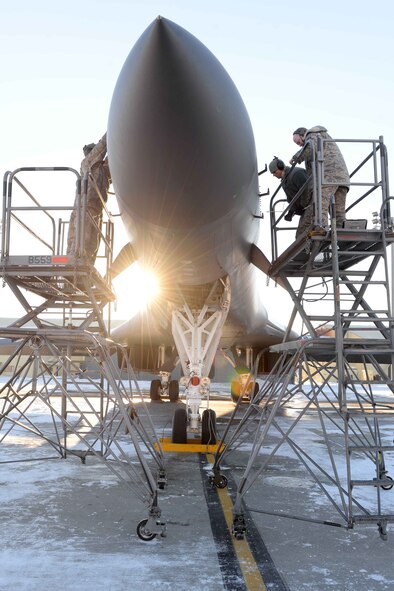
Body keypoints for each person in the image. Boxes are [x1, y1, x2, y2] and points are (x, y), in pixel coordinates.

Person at [291, 126, 349, 231]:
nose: (298, 144)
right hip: (342, 178)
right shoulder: (322, 136)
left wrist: (296, 158)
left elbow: (310, 148)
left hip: (327, 178)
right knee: (338, 212)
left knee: (320, 207)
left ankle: (322, 229)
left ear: (302, 135)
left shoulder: (312, 135)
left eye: (297, 141)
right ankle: (343, 234)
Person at [67, 133, 111, 262]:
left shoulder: (102, 169)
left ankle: (86, 270)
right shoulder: (88, 164)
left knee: (92, 244)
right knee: (80, 241)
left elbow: (114, 162)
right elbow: (102, 146)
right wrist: (111, 132)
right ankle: (72, 263)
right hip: (84, 207)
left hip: (96, 210)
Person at [269, 156, 312, 238]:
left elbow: (307, 189)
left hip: (312, 205)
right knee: (300, 236)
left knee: (301, 235)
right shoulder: (285, 181)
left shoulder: (296, 173)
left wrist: (303, 205)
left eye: (274, 172)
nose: (274, 175)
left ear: (280, 167)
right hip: (306, 208)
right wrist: (291, 212)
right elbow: (291, 198)